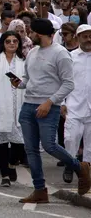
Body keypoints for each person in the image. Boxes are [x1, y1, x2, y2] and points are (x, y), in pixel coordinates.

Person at [14, 18, 90, 203]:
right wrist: (19, 83)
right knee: (31, 150)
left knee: (49, 145)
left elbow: (68, 83)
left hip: (49, 106)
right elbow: (27, 79)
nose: (30, 36)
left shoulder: (61, 54)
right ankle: (39, 190)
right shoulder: (32, 52)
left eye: (32, 32)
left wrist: (50, 102)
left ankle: (80, 167)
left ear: (40, 34)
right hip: (28, 105)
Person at [0, 31, 26, 187]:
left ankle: (12, 164)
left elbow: (28, 82)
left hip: (19, 106)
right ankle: (5, 175)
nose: (12, 44)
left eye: (15, 41)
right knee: (1, 140)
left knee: (19, 143)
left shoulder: (24, 61)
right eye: (8, 41)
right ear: (3, 43)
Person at [61, 24, 91, 183]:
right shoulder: (70, 57)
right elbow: (62, 81)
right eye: (85, 36)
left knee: (90, 145)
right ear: (78, 38)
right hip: (74, 106)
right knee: (70, 138)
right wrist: (62, 102)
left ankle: (86, 174)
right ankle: (70, 164)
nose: (88, 40)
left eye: (90, 36)